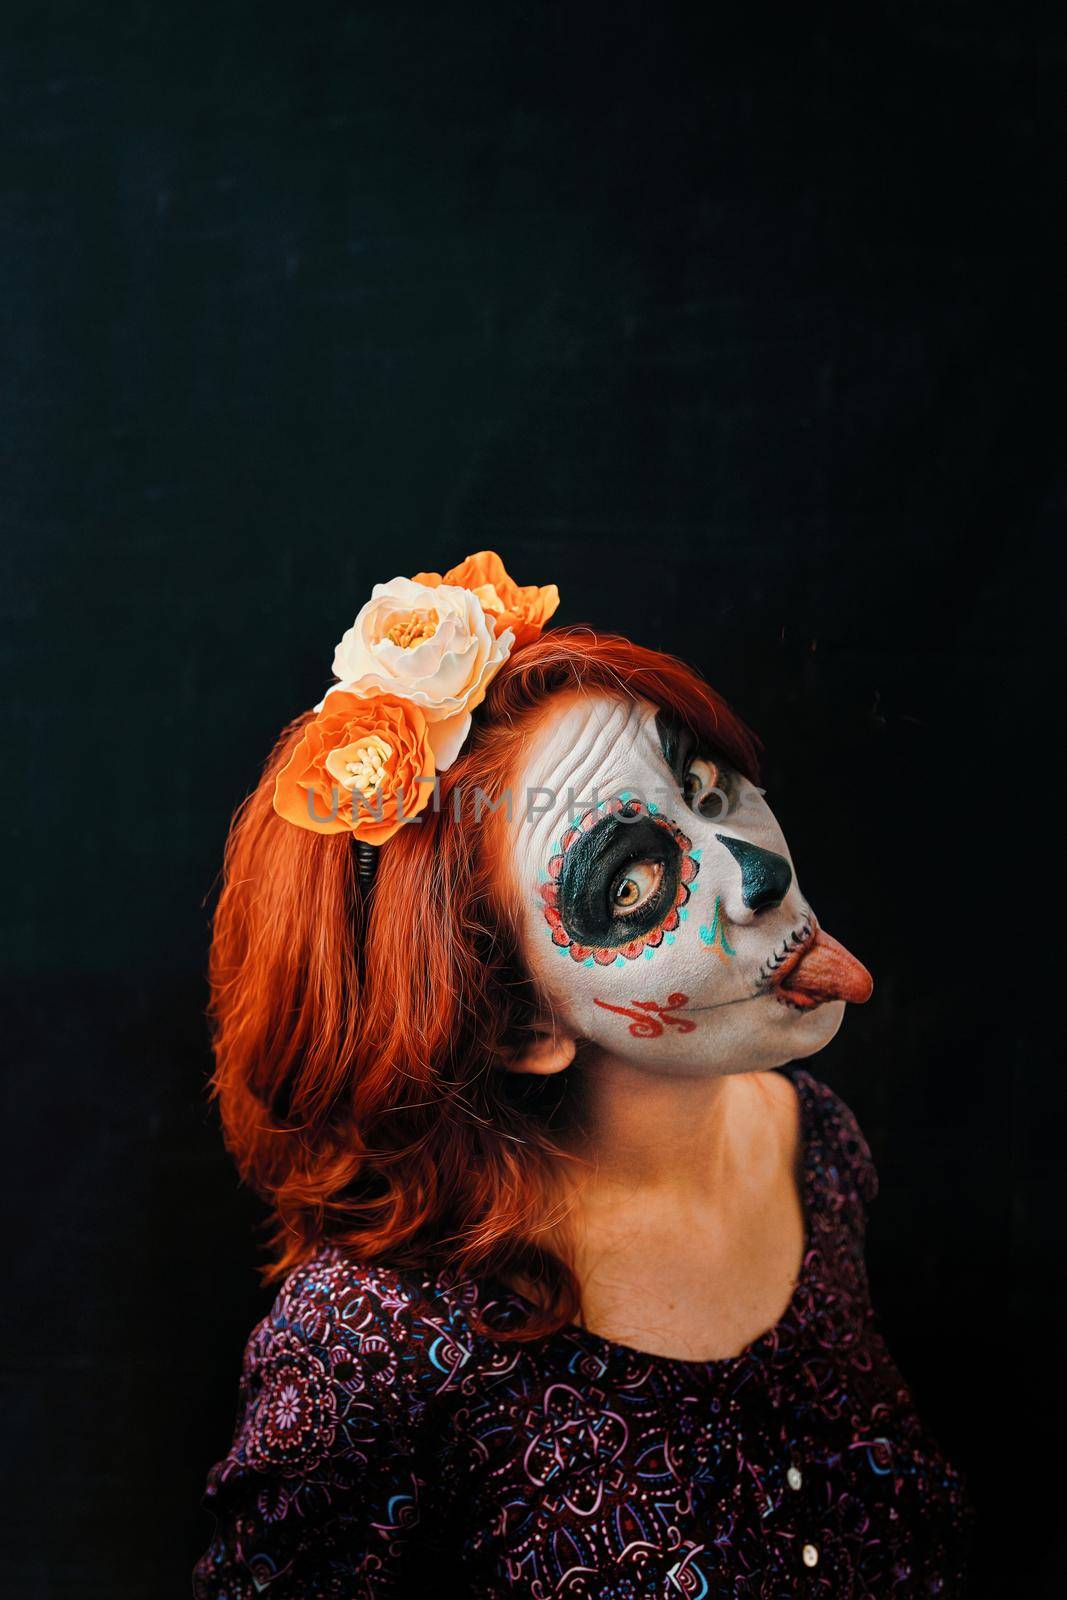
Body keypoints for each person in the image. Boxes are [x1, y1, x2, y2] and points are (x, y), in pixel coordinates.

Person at [191, 552, 974, 1597]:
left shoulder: (811, 1144)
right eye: (638, 879)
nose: (757, 869)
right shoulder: (374, 1345)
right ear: (518, 1022)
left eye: (705, 786)